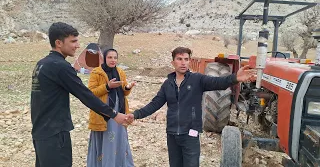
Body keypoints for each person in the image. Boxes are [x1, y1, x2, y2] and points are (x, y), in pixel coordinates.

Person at [127, 47, 256, 167]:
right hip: (172, 134)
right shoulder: (167, 84)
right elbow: (154, 104)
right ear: (173, 63)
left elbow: (218, 83)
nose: (183, 62)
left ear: (189, 61)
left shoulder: (197, 80)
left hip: (190, 134)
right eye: (179, 59)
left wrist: (235, 78)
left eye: (186, 59)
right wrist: (135, 114)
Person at [30, 22, 131, 167]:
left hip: (40, 131)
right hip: (56, 133)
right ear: (58, 43)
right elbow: (86, 95)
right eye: (73, 41)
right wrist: (114, 114)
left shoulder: (41, 64)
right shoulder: (61, 67)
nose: (77, 46)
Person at [86, 48, 135, 167]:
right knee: (107, 139)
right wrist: (107, 87)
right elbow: (90, 93)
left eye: (115, 58)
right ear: (104, 58)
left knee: (119, 138)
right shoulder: (97, 72)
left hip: (119, 111)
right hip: (103, 114)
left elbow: (124, 93)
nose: (113, 60)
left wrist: (127, 88)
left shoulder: (120, 72)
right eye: (110, 57)